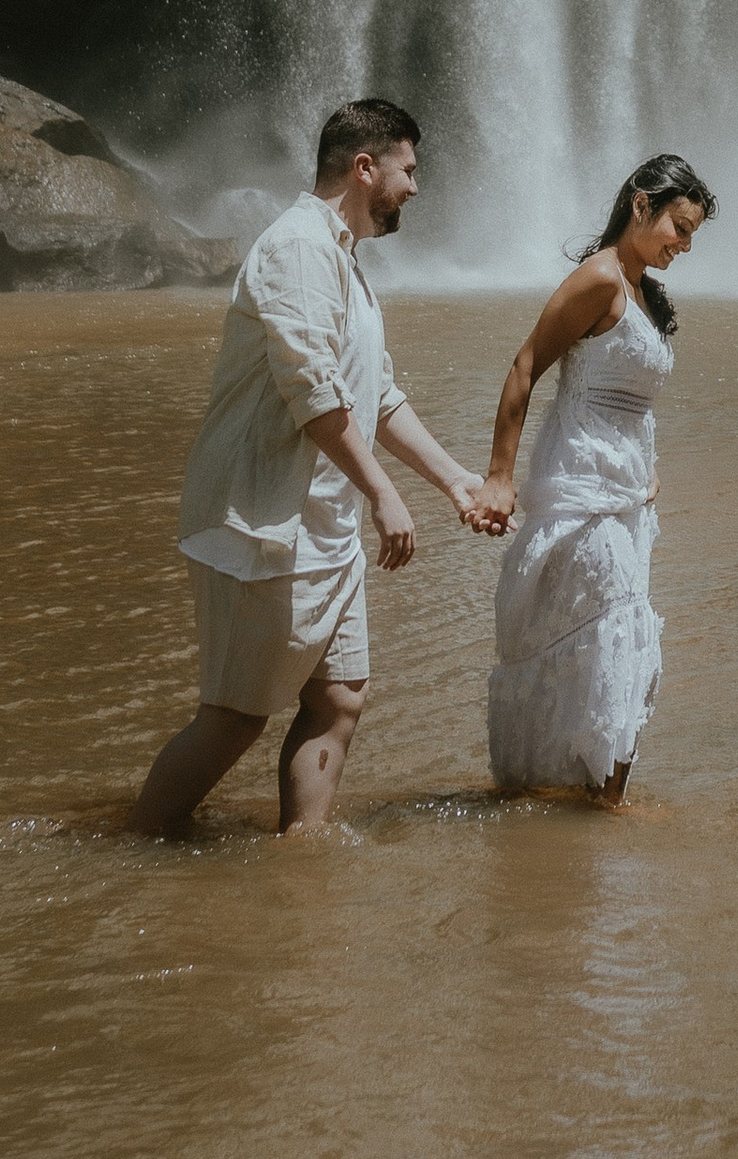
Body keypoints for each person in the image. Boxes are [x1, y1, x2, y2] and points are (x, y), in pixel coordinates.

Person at [134, 96, 504, 837]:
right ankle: (135, 846)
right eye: (409, 169)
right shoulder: (300, 248)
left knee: (338, 700)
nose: (416, 187)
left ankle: (299, 859)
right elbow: (310, 388)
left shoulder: (344, 259)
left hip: (320, 529)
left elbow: (378, 394)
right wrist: (382, 493)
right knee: (235, 718)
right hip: (264, 523)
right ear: (365, 168)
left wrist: (453, 479)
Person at [477, 152, 715, 805]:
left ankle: (574, 799)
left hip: (626, 491)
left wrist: (649, 464)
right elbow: (526, 366)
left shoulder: (639, 289)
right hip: (579, 479)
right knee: (614, 634)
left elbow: (627, 397)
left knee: (614, 640)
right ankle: (597, 804)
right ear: (641, 204)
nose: (685, 245)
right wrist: (500, 478)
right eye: (679, 227)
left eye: (693, 235)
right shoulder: (600, 280)